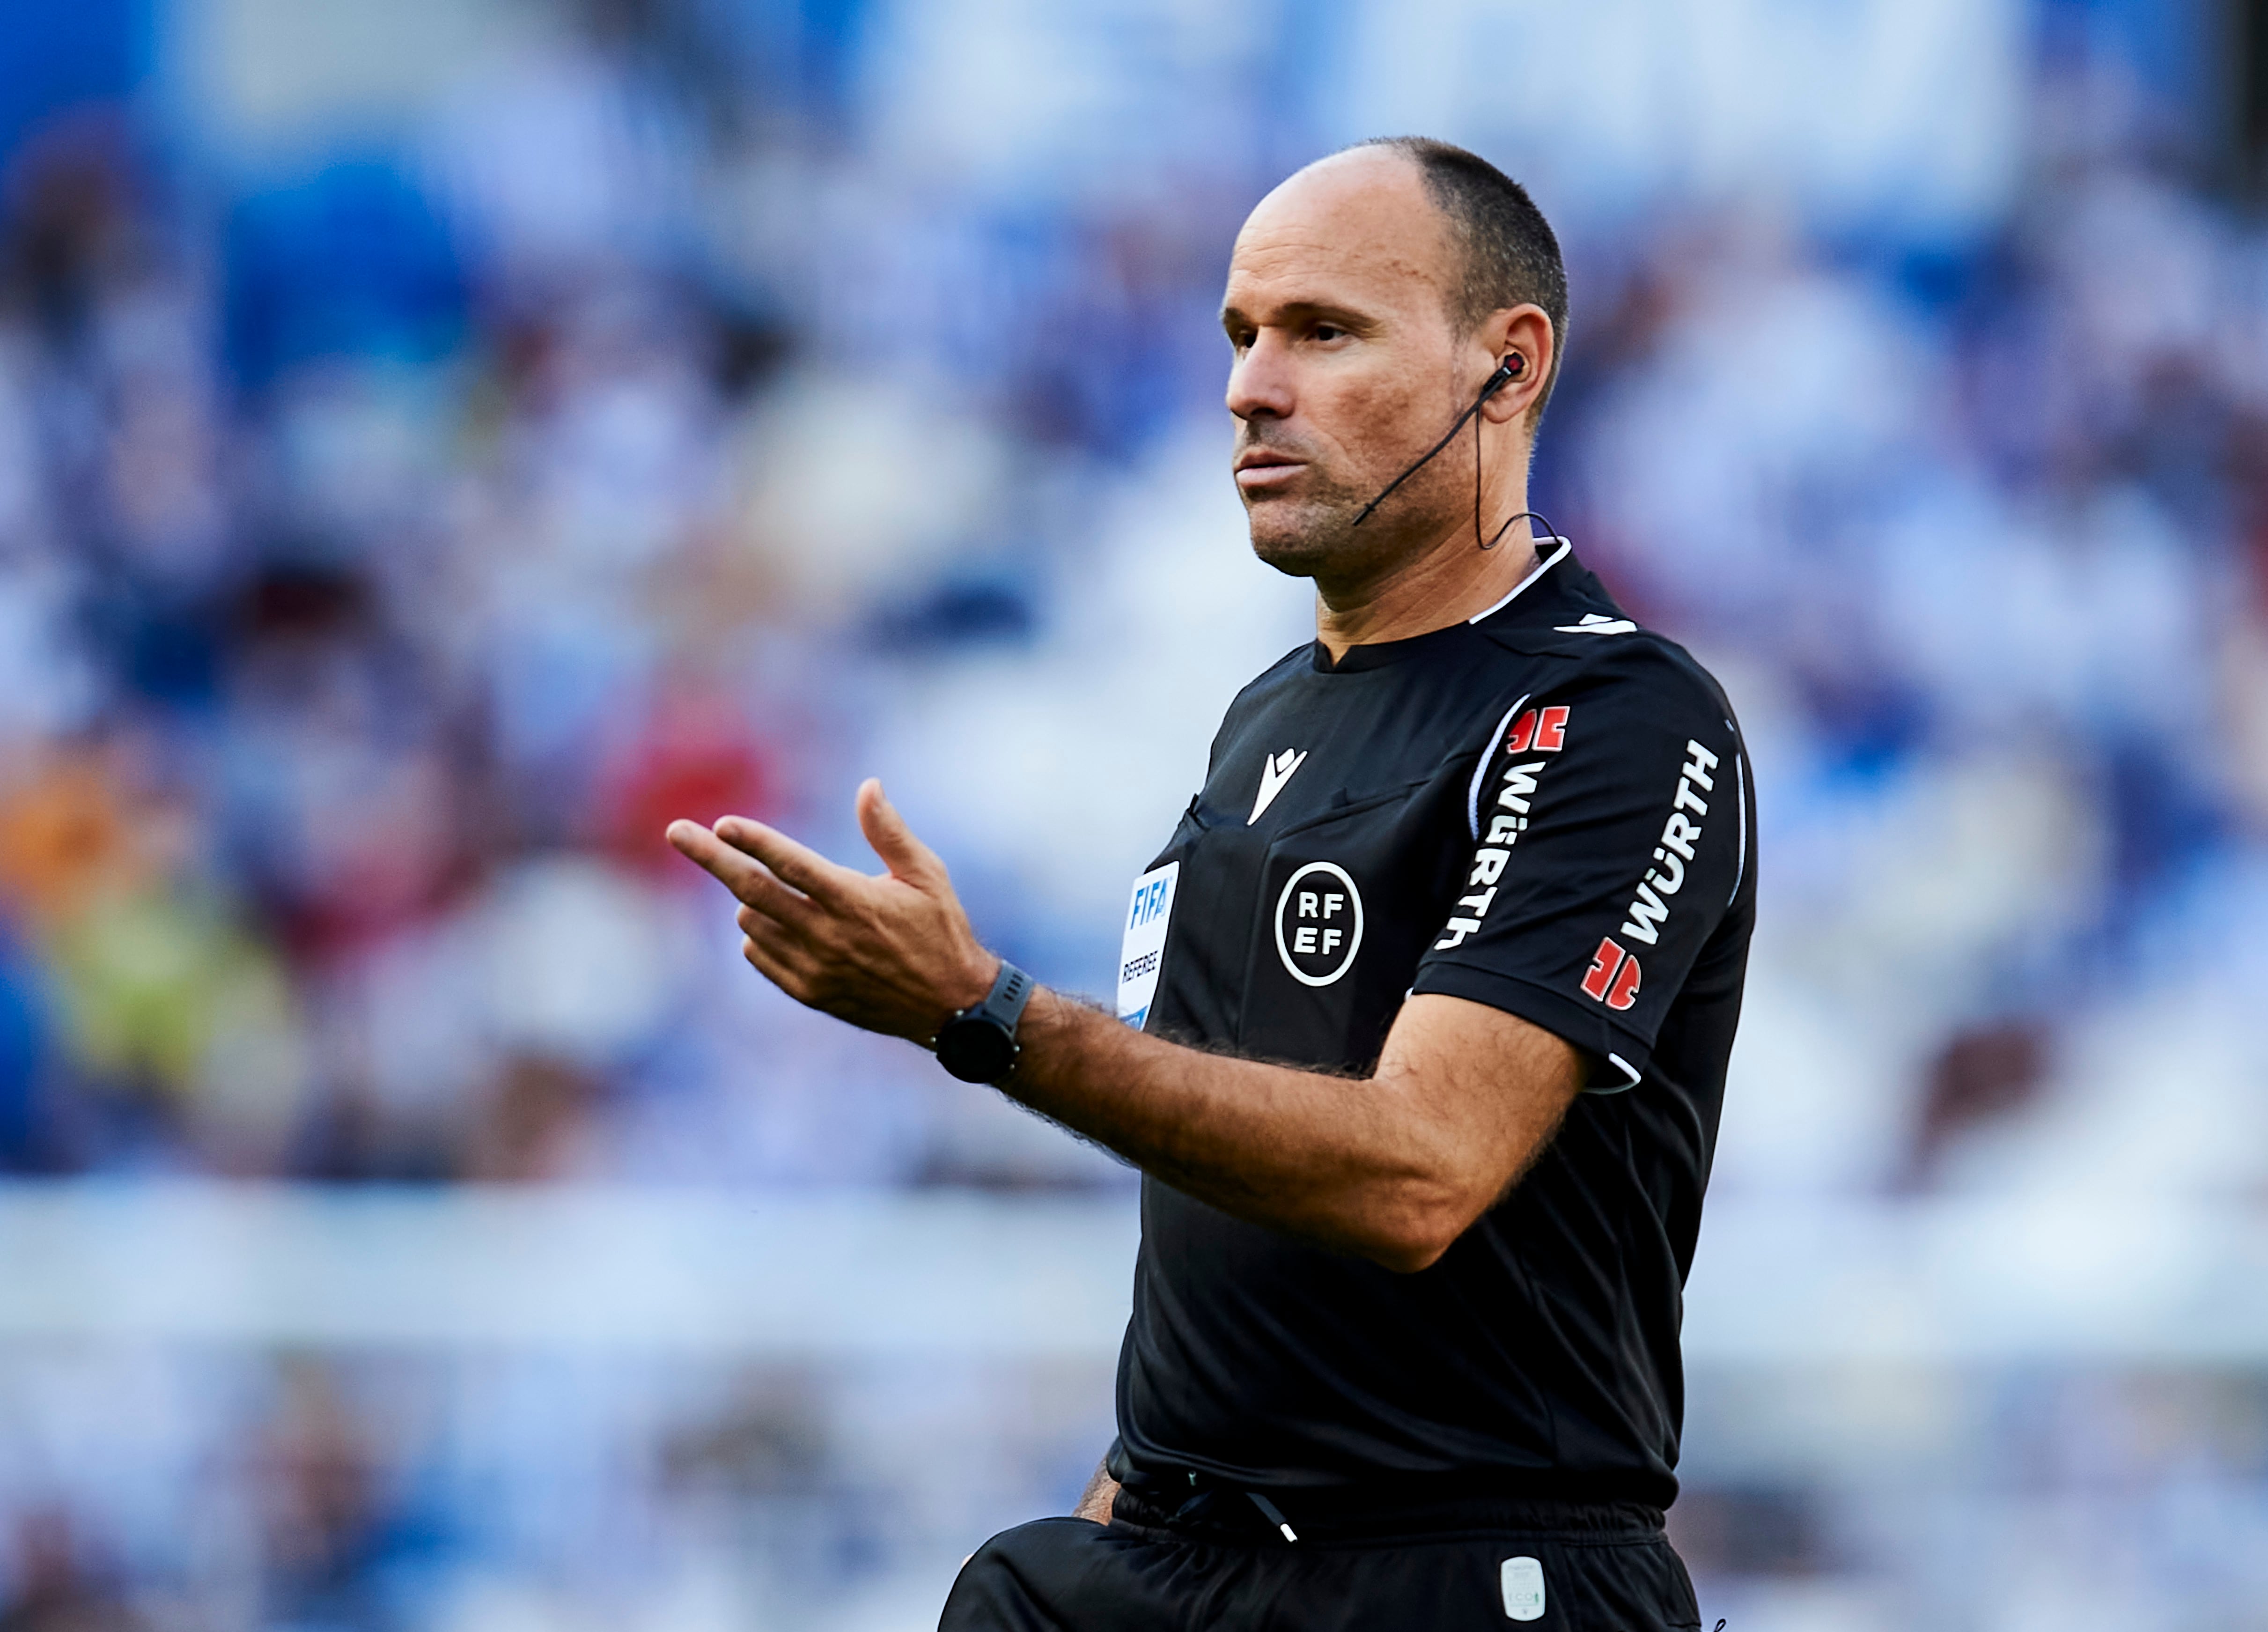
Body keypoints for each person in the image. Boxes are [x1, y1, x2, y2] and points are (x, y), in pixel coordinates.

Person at [669, 137, 1752, 1630]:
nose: (1251, 386)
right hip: (1193, 1561)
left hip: (1470, 1580)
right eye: (1242, 335)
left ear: (1509, 369)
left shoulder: (1614, 720)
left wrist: (982, 1014)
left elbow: (1421, 1169)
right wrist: (1127, 1511)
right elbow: (1219, 1243)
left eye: (1324, 332)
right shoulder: (1265, 724)